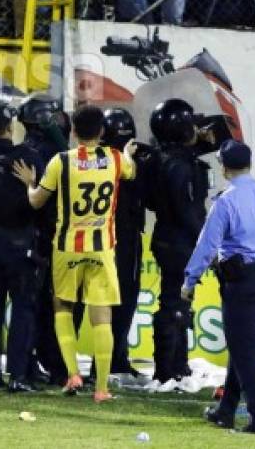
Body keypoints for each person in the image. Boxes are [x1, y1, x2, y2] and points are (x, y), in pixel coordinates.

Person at [13, 104, 137, 403]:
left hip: (67, 247)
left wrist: (30, 183)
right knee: (102, 316)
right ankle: (102, 388)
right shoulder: (116, 159)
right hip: (102, 248)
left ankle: (71, 375)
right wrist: (129, 151)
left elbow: (36, 202)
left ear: (72, 131)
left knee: (63, 309)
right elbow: (131, 172)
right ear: (103, 132)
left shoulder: (61, 162)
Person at [182, 139, 255, 434]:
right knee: (242, 344)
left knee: (245, 350)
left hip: (242, 283)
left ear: (223, 167)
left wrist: (189, 280)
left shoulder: (226, 200)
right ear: (249, 163)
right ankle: (225, 411)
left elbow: (207, 245)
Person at [0, 103, 45, 392]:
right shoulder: (28, 157)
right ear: (9, 127)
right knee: (22, 311)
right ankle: (18, 375)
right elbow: (43, 198)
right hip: (20, 243)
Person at [147, 98, 212, 384]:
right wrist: (206, 239)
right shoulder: (180, 166)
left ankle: (178, 364)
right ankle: (166, 369)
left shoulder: (159, 159)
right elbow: (187, 208)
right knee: (174, 303)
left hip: (167, 236)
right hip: (180, 241)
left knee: (179, 302)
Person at [18, 93, 70, 385]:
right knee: (51, 304)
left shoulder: (25, 149)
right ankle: (55, 363)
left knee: (35, 304)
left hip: (32, 234)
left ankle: (34, 361)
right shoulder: (54, 153)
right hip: (51, 234)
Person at [102, 107, 152, 383]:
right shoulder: (126, 164)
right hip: (122, 240)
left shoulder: (93, 160)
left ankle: (115, 358)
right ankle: (114, 360)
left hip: (99, 240)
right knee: (122, 300)